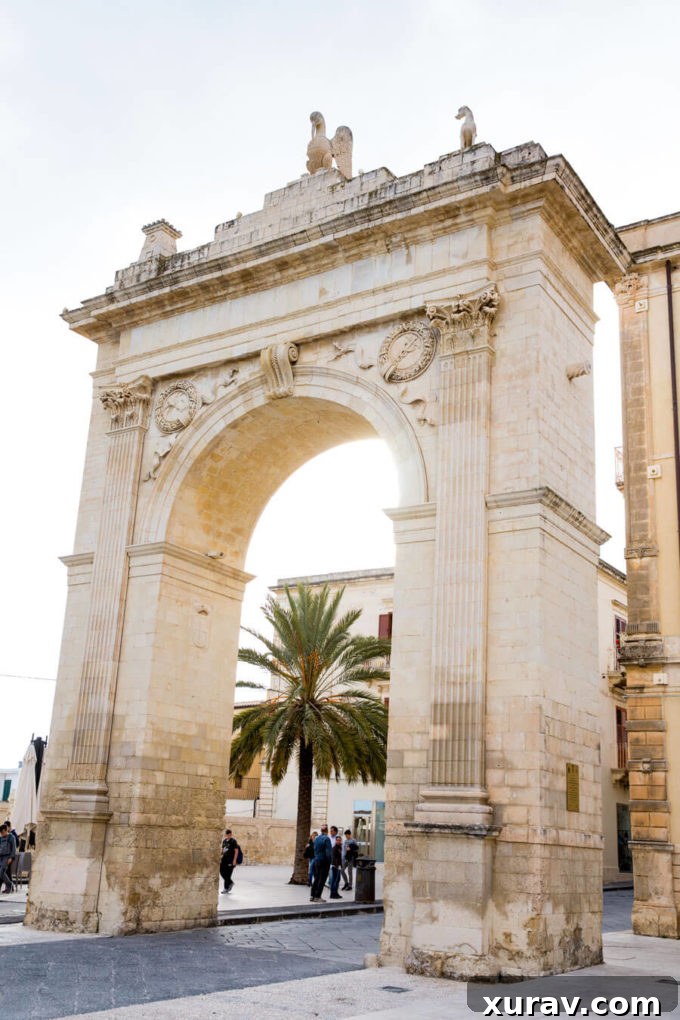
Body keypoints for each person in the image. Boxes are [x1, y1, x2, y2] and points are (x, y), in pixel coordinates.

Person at [310, 824, 332, 902]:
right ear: (327, 831)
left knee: (316, 878)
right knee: (322, 879)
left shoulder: (316, 838)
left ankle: (312, 895)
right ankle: (317, 896)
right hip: (324, 861)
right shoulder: (327, 839)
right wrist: (330, 862)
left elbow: (314, 849)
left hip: (317, 860)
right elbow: (328, 852)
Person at [220, 829, 240, 893]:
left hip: (230, 860)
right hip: (224, 860)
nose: (229, 836)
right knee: (221, 871)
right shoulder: (224, 841)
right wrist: (221, 853)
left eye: (230, 835)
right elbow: (222, 851)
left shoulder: (233, 841)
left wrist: (234, 860)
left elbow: (236, 851)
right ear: (225, 835)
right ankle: (230, 883)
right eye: (228, 835)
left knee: (228, 874)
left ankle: (226, 888)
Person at [0, 823, 16, 894]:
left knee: (1, 872)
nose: (2, 834)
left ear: (6, 830)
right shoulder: (0, 838)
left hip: (7, 857)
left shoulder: (11, 837)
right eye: (1, 833)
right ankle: (8, 886)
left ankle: (9, 884)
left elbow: (14, 848)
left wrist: (11, 857)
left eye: (3, 832)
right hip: (1, 857)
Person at [329, 834, 343, 899]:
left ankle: (336, 893)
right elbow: (334, 858)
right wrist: (337, 866)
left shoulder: (340, 847)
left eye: (340, 840)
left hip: (338, 866)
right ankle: (332, 894)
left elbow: (340, 858)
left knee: (337, 880)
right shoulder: (334, 848)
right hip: (335, 866)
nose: (339, 841)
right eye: (337, 840)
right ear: (335, 841)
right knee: (334, 880)